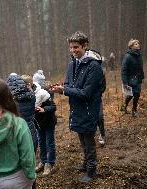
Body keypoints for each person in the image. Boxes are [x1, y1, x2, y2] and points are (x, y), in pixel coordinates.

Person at [51, 31, 104, 183]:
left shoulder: (93, 67)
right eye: (71, 48)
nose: (73, 51)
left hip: (88, 109)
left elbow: (86, 93)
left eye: (76, 47)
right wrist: (62, 87)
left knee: (89, 142)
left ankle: (92, 170)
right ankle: (86, 163)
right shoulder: (72, 64)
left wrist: (65, 90)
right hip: (76, 108)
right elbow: (68, 84)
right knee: (81, 138)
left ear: (85, 46)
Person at [120, 39, 144, 117]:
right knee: (130, 95)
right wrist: (125, 82)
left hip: (138, 78)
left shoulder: (139, 54)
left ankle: (134, 110)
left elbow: (140, 67)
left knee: (137, 94)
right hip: (130, 79)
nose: (138, 45)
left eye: (138, 43)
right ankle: (124, 106)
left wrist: (141, 76)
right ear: (131, 46)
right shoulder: (127, 56)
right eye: (136, 44)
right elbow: (123, 70)